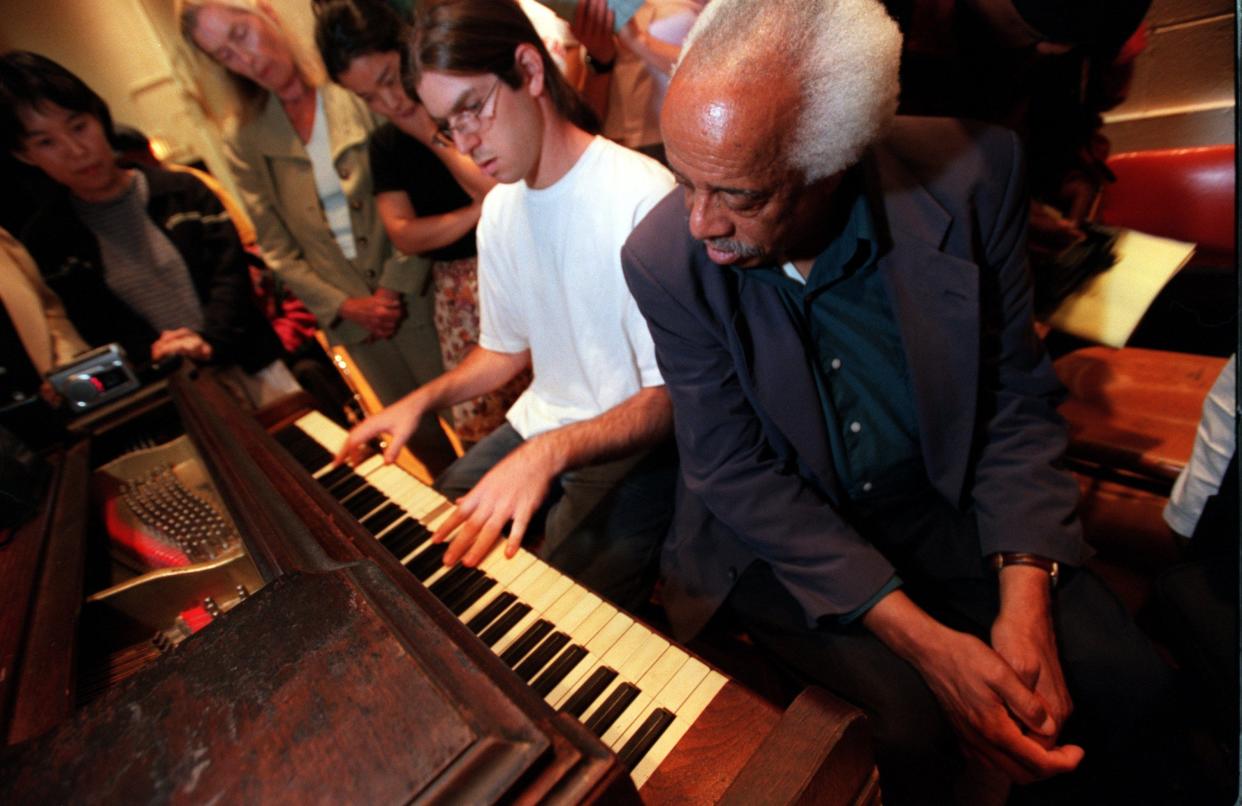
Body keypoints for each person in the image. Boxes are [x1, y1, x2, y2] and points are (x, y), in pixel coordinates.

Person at [619, 1, 1173, 802]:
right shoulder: (663, 257)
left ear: (836, 160)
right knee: (910, 729)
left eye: (738, 194)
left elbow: (1012, 401)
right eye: (683, 180)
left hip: (942, 498)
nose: (700, 222)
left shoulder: (978, 171)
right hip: (784, 537)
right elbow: (733, 470)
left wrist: (1024, 598)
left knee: (1127, 685)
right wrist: (930, 647)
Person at [338, 0, 677, 612]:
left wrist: (546, 455)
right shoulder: (502, 208)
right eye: (448, 125)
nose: (466, 144)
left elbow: (670, 399)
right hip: (544, 419)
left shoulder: (642, 197)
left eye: (471, 109)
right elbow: (503, 348)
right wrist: (423, 399)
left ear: (530, 69)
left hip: (633, 444)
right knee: (418, 548)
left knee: (556, 611)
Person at [177, 0, 456, 470]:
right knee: (422, 445)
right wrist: (345, 306)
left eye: (241, 34)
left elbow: (422, 185)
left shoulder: (354, 85)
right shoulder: (244, 137)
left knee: (479, 415)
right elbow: (277, 248)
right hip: (353, 319)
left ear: (265, 11)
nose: (246, 60)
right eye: (225, 54)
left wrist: (392, 287)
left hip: (424, 289)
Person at [0, 51, 296, 410]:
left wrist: (206, 342)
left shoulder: (182, 190)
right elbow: (91, 324)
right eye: (46, 142)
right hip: (170, 398)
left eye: (79, 127)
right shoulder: (49, 240)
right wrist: (152, 353)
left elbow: (231, 278)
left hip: (255, 366)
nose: (76, 150)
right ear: (25, 155)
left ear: (99, 116)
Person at [314, 0, 526, 444]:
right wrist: (474, 212)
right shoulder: (385, 143)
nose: (388, 102)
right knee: (487, 434)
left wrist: (431, 136)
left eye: (389, 79)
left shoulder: (459, 102)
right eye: (368, 97)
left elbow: (493, 188)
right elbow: (404, 234)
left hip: (514, 259)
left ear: (407, 49)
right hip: (457, 293)